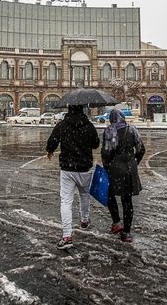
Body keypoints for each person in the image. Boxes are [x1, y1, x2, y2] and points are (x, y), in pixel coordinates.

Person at [46, 105, 100, 250]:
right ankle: (84, 220)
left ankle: (67, 235)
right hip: (85, 167)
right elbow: (96, 144)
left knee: (66, 201)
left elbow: (52, 141)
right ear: (82, 109)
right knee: (84, 195)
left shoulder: (62, 125)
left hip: (67, 169)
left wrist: (50, 150)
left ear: (69, 109)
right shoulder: (88, 125)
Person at [101, 109, 145, 243]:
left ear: (111, 119)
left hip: (115, 168)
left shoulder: (110, 131)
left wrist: (107, 166)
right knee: (127, 201)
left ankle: (116, 222)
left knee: (109, 195)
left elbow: (107, 152)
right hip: (130, 168)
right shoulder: (132, 129)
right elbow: (141, 149)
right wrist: (134, 161)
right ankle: (126, 233)